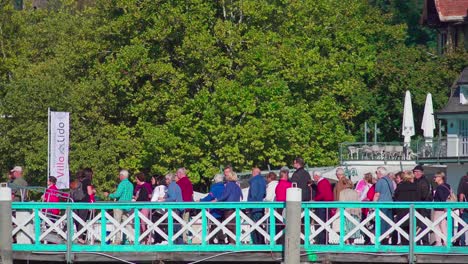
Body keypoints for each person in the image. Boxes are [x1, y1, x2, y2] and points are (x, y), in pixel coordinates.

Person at [104, 170, 134, 245]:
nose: (119, 177)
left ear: (122, 176)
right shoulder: (131, 184)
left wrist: (109, 195)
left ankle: (117, 240)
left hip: (119, 205)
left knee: (117, 223)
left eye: (120, 175)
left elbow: (117, 195)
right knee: (127, 223)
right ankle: (132, 239)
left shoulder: (122, 184)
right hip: (127, 206)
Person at [217, 171, 243, 244]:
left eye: (227, 175)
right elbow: (241, 196)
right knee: (234, 225)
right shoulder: (237, 186)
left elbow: (225, 195)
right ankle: (235, 241)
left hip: (229, 208)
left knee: (229, 226)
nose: (226, 176)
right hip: (236, 208)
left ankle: (232, 242)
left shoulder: (229, 185)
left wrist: (217, 200)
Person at [393, 171, 418, 245]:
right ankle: (412, 247)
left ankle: (405, 246)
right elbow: (418, 198)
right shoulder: (416, 187)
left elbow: (395, 197)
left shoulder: (400, 187)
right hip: (413, 211)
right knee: (412, 230)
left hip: (402, 211)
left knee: (403, 230)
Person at [200, 174, 225, 244]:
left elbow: (209, 197)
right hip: (223, 210)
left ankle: (219, 240)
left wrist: (201, 200)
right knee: (216, 225)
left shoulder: (214, 187)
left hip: (214, 210)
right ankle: (212, 240)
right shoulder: (224, 187)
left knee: (215, 224)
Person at [373, 166, 394, 245]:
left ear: (379, 173)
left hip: (381, 203)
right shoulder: (390, 181)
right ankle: (387, 237)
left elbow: (377, 194)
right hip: (390, 203)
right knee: (388, 222)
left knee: (381, 222)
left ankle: (381, 239)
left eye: (377, 172)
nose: (376, 174)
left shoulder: (380, 181)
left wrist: (372, 205)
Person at [247, 167, 267, 244]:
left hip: (254, 207)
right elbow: (264, 194)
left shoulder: (254, 181)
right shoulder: (263, 181)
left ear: (254, 173)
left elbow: (253, 194)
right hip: (261, 206)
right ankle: (261, 242)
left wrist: (249, 207)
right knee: (260, 226)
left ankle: (256, 243)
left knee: (254, 227)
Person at [162, 173, 183, 244]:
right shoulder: (176, 185)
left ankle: (173, 243)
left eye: (166, 179)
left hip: (174, 209)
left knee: (173, 227)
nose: (165, 181)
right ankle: (179, 243)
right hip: (179, 208)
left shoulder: (171, 186)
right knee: (177, 227)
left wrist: (164, 200)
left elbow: (173, 198)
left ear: (169, 179)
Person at [413, 165, 432, 245]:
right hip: (420, 207)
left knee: (422, 225)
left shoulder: (423, 181)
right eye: (414, 172)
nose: (416, 173)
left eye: (418, 172)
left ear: (422, 173)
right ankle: (418, 242)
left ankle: (425, 243)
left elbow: (424, 195)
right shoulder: (418, 181)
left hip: (423, 207)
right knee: (418, 225)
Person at [313, 171, 333, 244]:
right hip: (327, 204)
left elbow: (321, 194)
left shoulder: (321, 183)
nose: (313, 178)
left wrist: (314, 200)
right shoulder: (325, 181)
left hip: (323, 205)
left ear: (316, 176)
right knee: (325, 223)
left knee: (321, 222)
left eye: (314, 176)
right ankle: (325, 240)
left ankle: (321, 240)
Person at [339, 178, 361, 244]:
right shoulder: (355, 192)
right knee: (353, 228)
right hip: (355, 212)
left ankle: (347, 242)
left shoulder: (342, 192)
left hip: (346, 212)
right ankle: (352, 242)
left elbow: (341, 204)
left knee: (346, 228)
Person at [175, 168, 194, 243]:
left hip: (182, 206)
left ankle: (183, 240)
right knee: (186, 223)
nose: (177, 175)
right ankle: (186, 240)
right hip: (188, 205)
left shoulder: (180, 182)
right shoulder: (189, 182)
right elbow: (192, 194)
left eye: (177, 173)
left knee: (182, 223)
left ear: (180, 173)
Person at [433, 172, 451, 246]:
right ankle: (446, 242)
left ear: (440, 177)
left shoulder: (439, 187)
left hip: (439, 209)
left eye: (436, 177)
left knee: (435, 225)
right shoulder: (447, 186)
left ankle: (438, 242)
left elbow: (442, 198)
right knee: (443, 225)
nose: (434, 178)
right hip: (446, 209)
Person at [134, 172, 152, 244]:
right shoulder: (137, 186)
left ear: (139, 179)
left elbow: (150, 195)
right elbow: (135, 194)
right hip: (138, 205)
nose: (136, 181)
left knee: (143, 222)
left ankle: (146, 239)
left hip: (145, 205)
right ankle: (141, 238)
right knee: (138, 222)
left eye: (136, 179)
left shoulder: (147, 185)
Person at [275, 166, 292, 244]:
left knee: (279, 225)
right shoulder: (289, 185)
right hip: (287, 207)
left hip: (279, 207)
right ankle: (287, 241)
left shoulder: (278, 185)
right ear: (285, 176)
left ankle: (279, 241)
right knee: (287, 225)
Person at [150, 175, 168, 244]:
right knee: (164, 226)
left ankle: (158, 240)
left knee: (157, 226)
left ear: (158, 181)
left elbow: (153, 200)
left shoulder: (158, 188)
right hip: (166, 210)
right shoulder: (166, 188)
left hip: (158, 210)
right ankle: (164, 240)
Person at [456, 173, 468, 246]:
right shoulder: (464, 179)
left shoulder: (463, 179)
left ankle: (462, 243)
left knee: (462, 225)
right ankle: (462, 242)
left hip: (465, 207)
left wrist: (461, 206)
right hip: (465, 207)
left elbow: (461, 194)